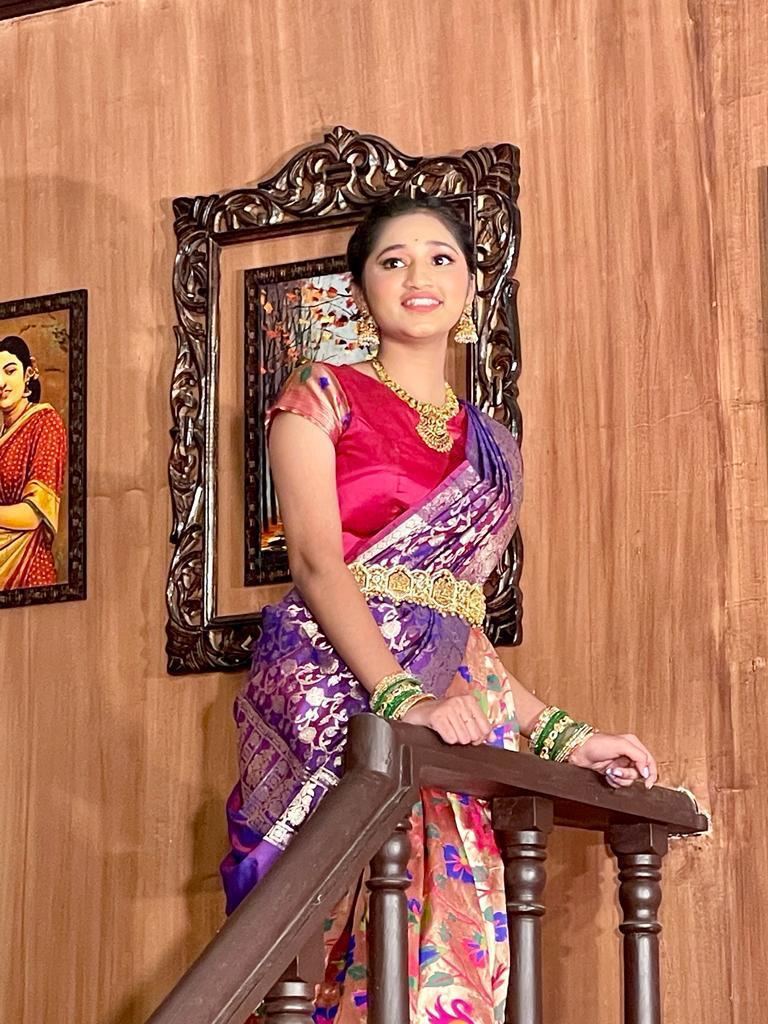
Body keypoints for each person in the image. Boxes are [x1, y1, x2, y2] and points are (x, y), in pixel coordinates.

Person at [221, 195, 658, 1023]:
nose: (417, 275)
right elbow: (316, 564)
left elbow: (460, 628)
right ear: (360, 289)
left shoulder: (490, 445)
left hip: (454, 714)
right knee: (320, 948)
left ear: (469, 287)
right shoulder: (322, 395)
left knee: (452, 946)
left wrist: (565, 736)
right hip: (337, 696)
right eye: (392, 261)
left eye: (440, 258)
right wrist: (401, 699)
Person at [0, 335, 67, 590]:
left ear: (28, 373)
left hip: (27, 567)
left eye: (10, 371)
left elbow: (33, 515)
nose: (1, 383)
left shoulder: (45, 423)